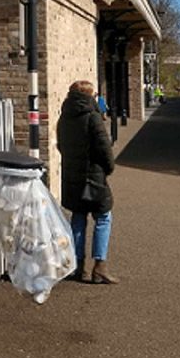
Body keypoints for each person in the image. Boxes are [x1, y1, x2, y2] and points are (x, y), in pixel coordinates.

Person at [57, 79, 118, 284]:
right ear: (90, 96)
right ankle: (99, 267)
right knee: (103, 217)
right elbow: (104, 147)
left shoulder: (64, 117)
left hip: (73, 176)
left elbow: (61, 145)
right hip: (94, 176)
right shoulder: (93, 117)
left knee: (78, 218)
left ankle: (78, 266)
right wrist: (109, 168)